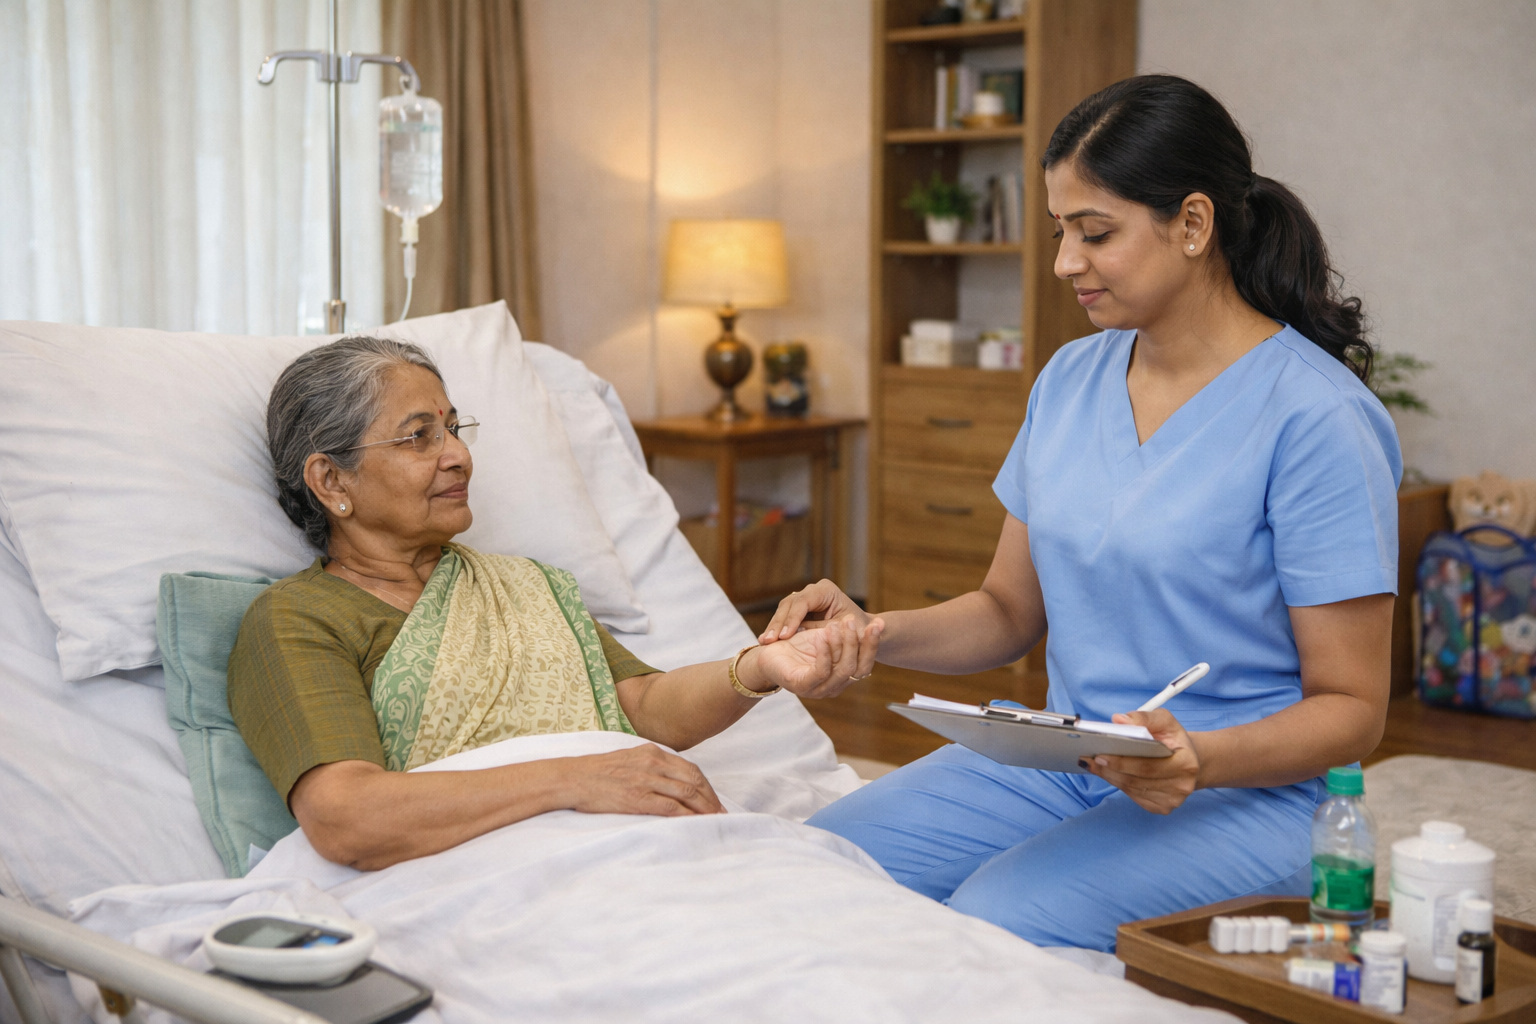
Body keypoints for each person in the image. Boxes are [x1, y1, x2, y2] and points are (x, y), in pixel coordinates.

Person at [760, 75, 1401, 951]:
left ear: (1193, 224)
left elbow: (1354, 706)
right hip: (1062, 764)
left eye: (1095, 233)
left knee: (992, 923)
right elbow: (1006, 611)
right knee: (809, 870)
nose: (1065, 261)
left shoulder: (1316, 417)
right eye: (1061, 230)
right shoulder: (1070, 378)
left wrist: (1199, 759)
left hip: (1242, 793)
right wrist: (869, 632)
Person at [228, 336, 882, 872]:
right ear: (330, 480)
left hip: (641, 852)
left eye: (454, 430)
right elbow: (347, 818)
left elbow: (646, 707)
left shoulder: (527, 586)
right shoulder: (298, 620)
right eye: (419, 437)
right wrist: (576, 780)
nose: (458, 456)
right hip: (481, 882)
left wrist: (762, 664)